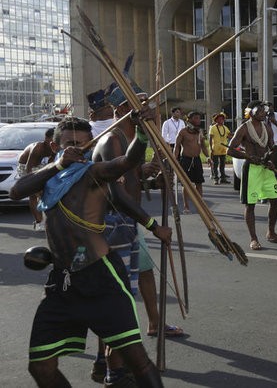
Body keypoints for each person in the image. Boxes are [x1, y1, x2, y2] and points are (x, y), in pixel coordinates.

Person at [9, 114, 166, 388]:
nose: (77, 149)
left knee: (137, 361)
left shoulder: (93, 173)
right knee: (40, 366)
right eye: (70, 143)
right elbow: (17, 191)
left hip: (100, 277)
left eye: (83, 144)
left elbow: (127, 162)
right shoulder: (48, 177)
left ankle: (111, 370)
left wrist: (141, 134)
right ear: (56, 146)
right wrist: (58, 165)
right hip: (62, 283)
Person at [92, 85, 182, 384]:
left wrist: (154, 176)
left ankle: (109, 360)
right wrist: (153, 226)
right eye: (144, 105)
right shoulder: (112, 140)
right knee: (117, 299)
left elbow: (131, 176)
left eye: (150, 105)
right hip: (113, 226)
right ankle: (113, 369)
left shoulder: (130, 139)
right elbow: (116, 193)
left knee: (124, 293)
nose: (152, 111)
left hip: (126, 225)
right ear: (122, 110)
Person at [227, 101, 277, 250]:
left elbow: (271, 148)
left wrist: (271, 161)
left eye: (264, 110)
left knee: (275, 200)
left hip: (266, 169)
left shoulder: (267, 127)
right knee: (251, 204)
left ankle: (271, 232)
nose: (263, 113)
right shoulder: (243, 129)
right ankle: (253, 238)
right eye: (260, 110)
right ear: (251, 112)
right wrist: (247, 156)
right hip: (252, 169)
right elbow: (230, 150)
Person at [17, 128, 55, 231]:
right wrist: (34, 186)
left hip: (41, 166)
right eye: (51, 139)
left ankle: (49, 219)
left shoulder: (55, 147)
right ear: (46, 139)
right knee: (33, 194)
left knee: (47, 190)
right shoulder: (38, 148)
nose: (53, 142)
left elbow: (52, 165)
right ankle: (39, 222)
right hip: (26, 166)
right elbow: (29, 169)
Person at [174, 111, 209, 214]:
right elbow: (177, 146)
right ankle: (186, 206)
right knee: (186, 184)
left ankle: (201, 206)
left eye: (199, 118)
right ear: (189, 120)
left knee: (199, 183)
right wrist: (174, 159)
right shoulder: (183, 132)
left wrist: (208, 157)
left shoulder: (200, 132)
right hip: (186, 160)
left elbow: (203, 146)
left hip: (197, 160)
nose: (199, 120)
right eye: (196, 118)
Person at [208, 112, 231, 184]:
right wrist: (211, 148)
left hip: (223, 149)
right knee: (215, 165)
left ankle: (223, 178)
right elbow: (210, 139)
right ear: (216, 120)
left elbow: (229, 135)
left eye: (222, 119)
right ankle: (216, 178)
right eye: (219, 119)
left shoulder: (225, 128)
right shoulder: (213, 128)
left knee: (222, 165)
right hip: (215, 149)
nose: (221, 120)